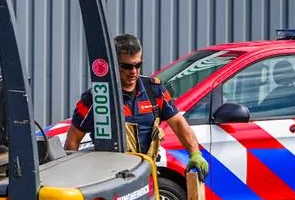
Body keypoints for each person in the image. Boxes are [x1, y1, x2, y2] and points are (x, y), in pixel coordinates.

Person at [64, 34, 207, 180]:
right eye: (127, 66)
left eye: (138, 65)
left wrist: (195, 154)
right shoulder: (98, 98)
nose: (133, 71)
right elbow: (73, 140)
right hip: (110, 181)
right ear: (113, 64)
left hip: (147, 176)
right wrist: (72, 177)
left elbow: (178, 123)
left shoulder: (155, 90)